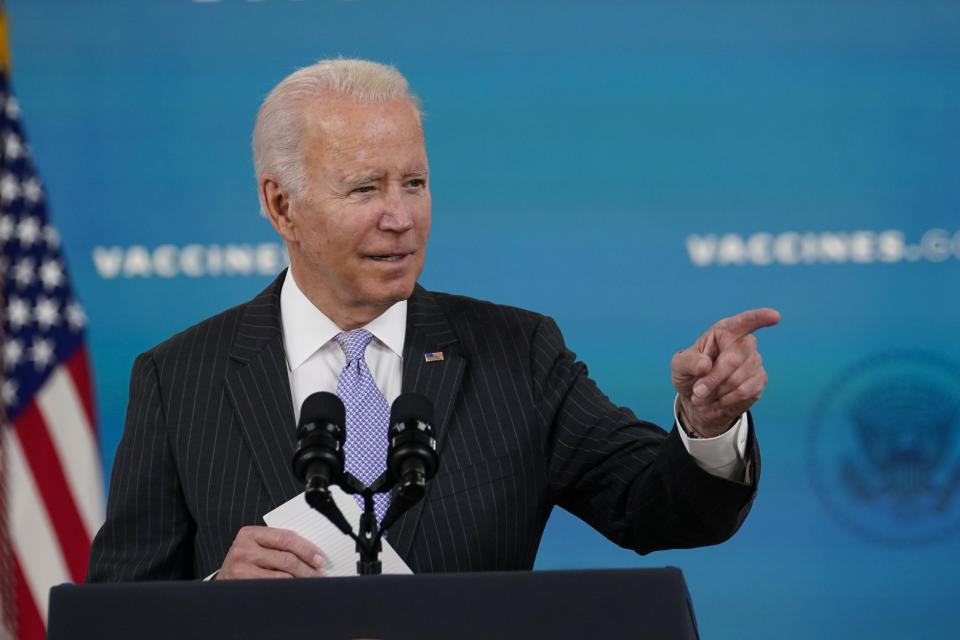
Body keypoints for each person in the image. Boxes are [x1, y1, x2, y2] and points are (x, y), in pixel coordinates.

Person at [86, 59, 779, 582]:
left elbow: (658, 507)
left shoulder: (519, 354)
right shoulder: (178, 379)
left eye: (413, 182)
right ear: (282, 206)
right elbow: (117, 613)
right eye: (365, 188)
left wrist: (707, 427)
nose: (401, 217)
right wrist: (210, 599)